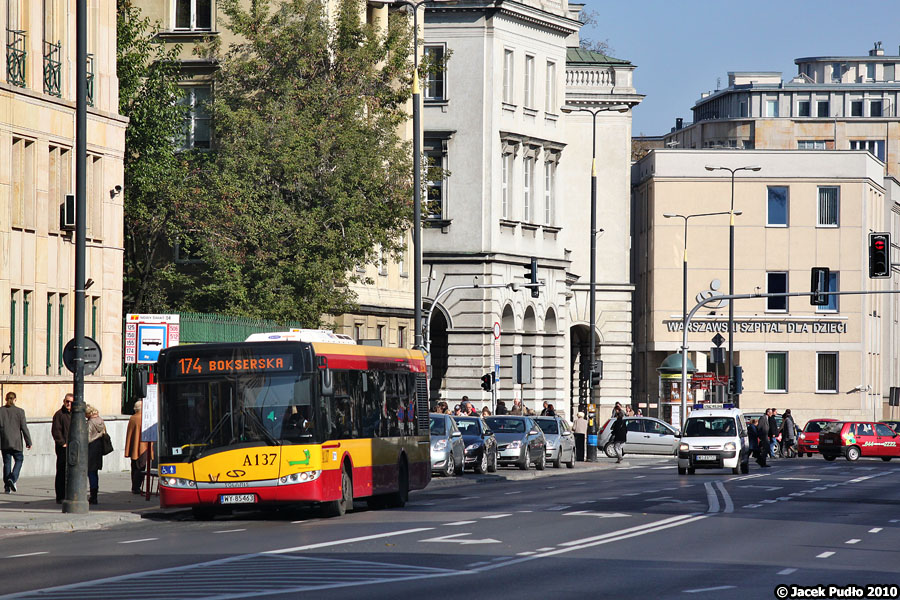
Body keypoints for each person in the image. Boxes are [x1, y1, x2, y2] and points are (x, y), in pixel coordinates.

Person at [0, 391, 32, 494]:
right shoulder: (20, 411)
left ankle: (7, 487)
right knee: (19, 460)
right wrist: (28, 441)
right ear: (15, 400)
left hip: (5, 441)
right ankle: (12, 478)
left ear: (6, 399)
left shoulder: (1, 411)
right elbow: (24, 428)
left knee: (7, 463)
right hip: (17, 442)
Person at [125, 400, 152, 495]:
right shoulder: (143, 418)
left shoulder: (132, 418)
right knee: (141, 467)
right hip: (143, 446)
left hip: (134, 446)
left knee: (134, 466)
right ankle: (136, 487)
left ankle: (134, 486)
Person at [51, 394, 74, 503]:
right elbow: (56, 431)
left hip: (74, 448)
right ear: (64, 401)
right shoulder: (59, 415)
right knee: (61, 472)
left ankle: (70, 494)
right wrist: (62, 443)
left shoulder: (75, 414)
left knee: (72, 472)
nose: (69, 404)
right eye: (67, 401)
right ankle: (60, 496)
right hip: (63, 448)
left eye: (71, 402)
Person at [86, 405, 106, 505]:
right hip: (98, 448)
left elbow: (87, 438)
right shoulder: (100, 420)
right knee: (94, 473)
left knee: (90, 472)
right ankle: (95, 494)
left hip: (90, 449)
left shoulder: (90, 422)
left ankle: (92, 496)